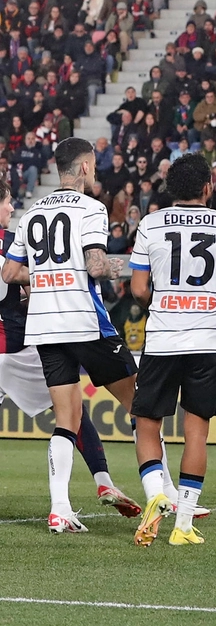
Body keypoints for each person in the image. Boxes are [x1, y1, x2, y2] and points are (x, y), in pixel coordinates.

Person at [1, 138, 151, 534]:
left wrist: (47, 279)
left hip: (43, 328)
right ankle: (163, 492)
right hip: (84, 322)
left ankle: (60, 509)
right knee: (141, 403)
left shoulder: (31, 213)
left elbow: (10, 274)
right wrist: (119, 266)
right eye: (94, 165)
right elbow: (96, 265)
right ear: (84, 168)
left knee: (66, 420)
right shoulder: (91, 208)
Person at [127, 154, 216, 546]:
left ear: (169, 188)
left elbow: (136, 289)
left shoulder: (150, 223)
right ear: (207, 188)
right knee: (195, 434)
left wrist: (165, 303)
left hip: (163, 339)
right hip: (205, 342)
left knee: (147, 424)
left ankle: (155, 498)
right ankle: (183, 526)